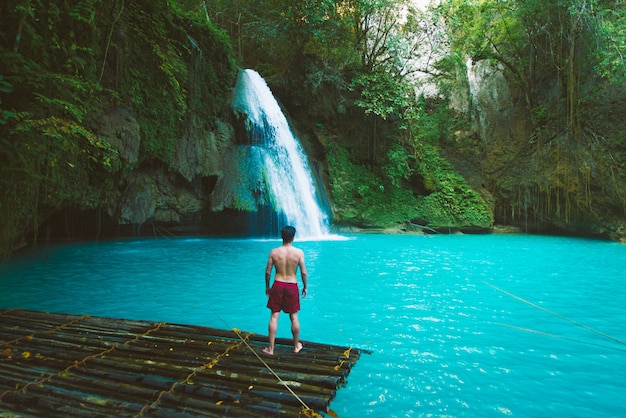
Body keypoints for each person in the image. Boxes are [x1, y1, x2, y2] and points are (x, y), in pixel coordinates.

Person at [263, 225, 308, 355]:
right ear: (293, 237)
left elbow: (267, 272)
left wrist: (267, 286)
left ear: (281, 236)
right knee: (294, 317)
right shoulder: (299, 253)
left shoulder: (274, 252)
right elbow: (303, 272)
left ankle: (270, 349)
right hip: (291, 285)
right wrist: (305, 286)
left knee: (274, 317)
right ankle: (296, 346)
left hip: (277, 284)